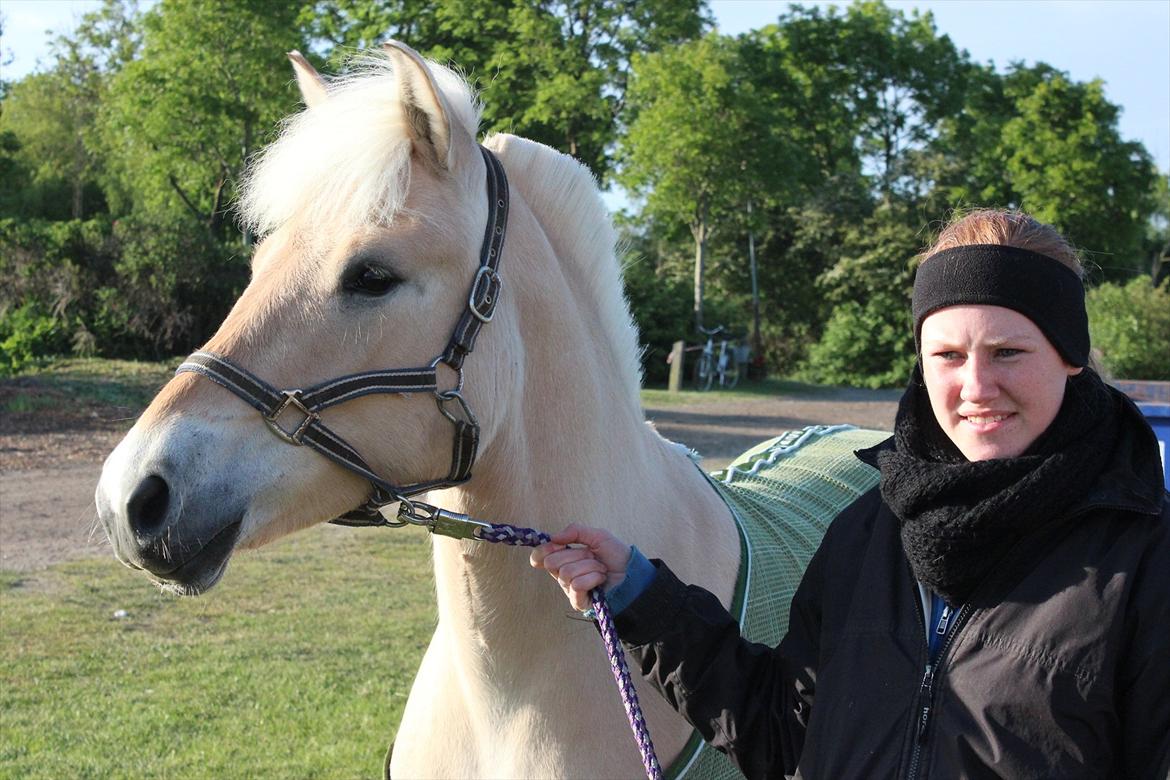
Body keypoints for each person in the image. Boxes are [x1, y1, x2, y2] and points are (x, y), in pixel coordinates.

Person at [531, 210, 1170, 779]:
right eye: (947, 355)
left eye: (1008, 351)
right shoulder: (872, 528)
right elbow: (783, 732)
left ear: (1069, 356)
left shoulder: (1144, 554)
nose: (976, 384)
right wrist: (641, 594)